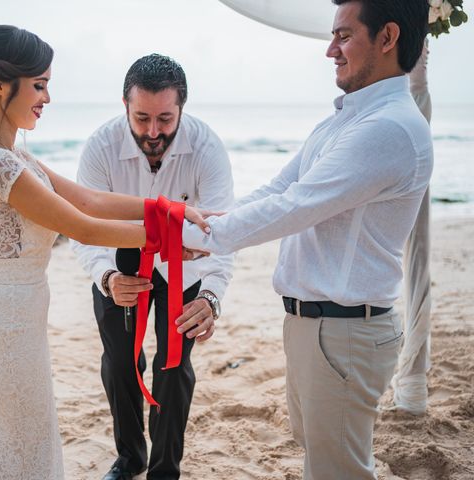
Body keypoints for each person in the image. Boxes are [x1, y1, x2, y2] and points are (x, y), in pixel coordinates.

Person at [182, 1, 433, 478]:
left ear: (387, 37)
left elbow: (296, 207)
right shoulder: (346, 119)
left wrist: (199, 238)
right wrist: (204, 221)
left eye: (343, 35)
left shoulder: (388, 128)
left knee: (338, 470)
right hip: (315, 328)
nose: (330, 51)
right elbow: (279, 190)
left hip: (344, 332)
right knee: (322, 457)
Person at [0, 26, 205, 480]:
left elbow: (89, 199)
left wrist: (173, 208)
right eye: (39, 84)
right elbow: (84, 227)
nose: (46, 98)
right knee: (23, 452)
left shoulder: (13, 156)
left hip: (18, 320)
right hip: (4, 327)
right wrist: (167, 237)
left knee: (24, 446)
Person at [71, 54, 234, 480]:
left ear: (182, 106)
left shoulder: (208, 148)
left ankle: (165, 469)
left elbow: (224, 233)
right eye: (141, 117)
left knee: (174, 366)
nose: (153, 132)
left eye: (165, 118)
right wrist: (106, 277)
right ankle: (130, 458)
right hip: (117, 259)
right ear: (124, 104)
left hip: (188, 271)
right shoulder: (100, 147)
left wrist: (212, 299)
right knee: (120, 361)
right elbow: (84, 226)